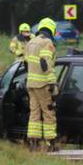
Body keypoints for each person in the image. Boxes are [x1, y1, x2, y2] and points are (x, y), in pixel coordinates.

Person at [25, 18, 58, 151]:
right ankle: (50, 144)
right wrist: (52, 82)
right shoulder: (47, 42)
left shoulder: (31, 41)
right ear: (51, 29)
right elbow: (45, 63)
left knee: (34, 113)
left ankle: (33, 143)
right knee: (48, 112)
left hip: (31, 84)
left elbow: (26, 63)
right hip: (42, 84)